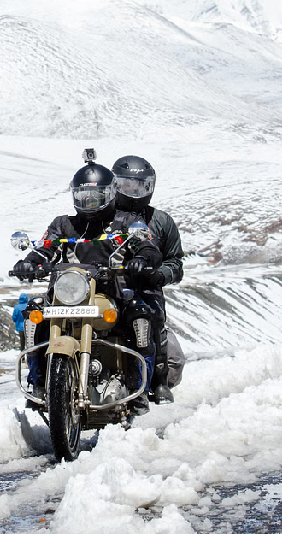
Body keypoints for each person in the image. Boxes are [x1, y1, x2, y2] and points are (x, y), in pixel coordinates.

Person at [9, 157, 163, 418]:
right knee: (32, 314)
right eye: (83, 196)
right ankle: (37, 382)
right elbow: (46, 248)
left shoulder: (126, 223)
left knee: (141, 315)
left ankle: (140, 388)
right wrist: (30, 262)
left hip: (111, 294)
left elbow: (146, 245)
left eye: (95, 196)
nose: (89, 202)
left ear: (111, 193)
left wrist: (142, 258)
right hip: (65, 297)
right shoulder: (63, 224)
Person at [111, 155, 186, 404]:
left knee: (153, 317)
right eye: (127, 185)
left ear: (150, 186)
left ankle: (159, 380)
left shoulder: (162, 221)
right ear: (114, 185)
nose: (134, 191)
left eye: (140, 185)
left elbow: (175, 263)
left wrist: (156, 275)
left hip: (145, 289)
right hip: (107, 287)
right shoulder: (103, 219)